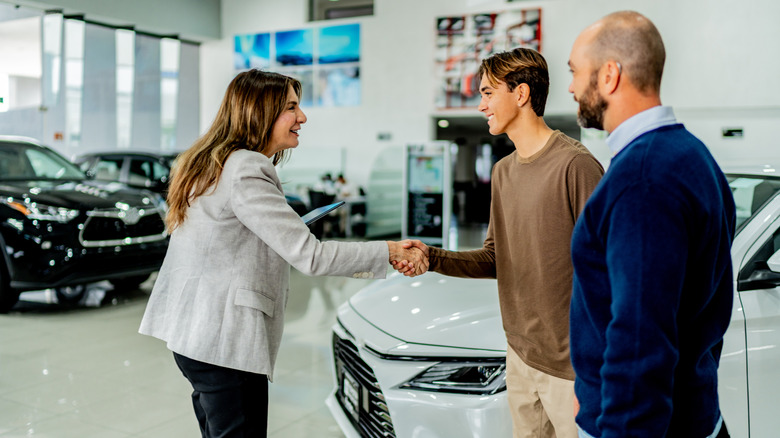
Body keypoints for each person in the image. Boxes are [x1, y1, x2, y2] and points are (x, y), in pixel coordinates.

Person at [138, 69, 426, 438]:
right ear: (260, 112)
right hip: (223, 340)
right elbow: (311, 257)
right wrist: (388, 251)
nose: (302, 117)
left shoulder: (213, 161)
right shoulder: (246, 168)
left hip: (196, 334)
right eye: (291, 108)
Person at [397, 48, 604, 438]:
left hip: (573, 368)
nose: (481, 105)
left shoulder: (576, 166)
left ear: (521, 94)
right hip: (521, 355)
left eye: (489, 93)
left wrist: (596, 369)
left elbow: (608, 270)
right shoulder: (503, 172)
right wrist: (433, 256)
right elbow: (495, 258)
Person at [567, 11, 735, 438]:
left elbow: (641, 339)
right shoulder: (690, 155)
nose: (570, 87)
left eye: (575, 72)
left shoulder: (643, 180)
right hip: (693, 410)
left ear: (609, 76)